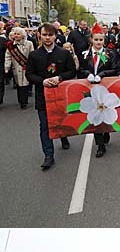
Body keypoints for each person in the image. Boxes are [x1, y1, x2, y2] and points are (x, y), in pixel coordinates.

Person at [25, 21, 71, 171]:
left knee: (62, 120)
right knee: (44, 125)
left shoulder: (63, 53)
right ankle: (48, 154)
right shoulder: (34, 55)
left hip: (61, 94)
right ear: (40, 35)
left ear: (55, 36)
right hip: (42, 95)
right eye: (44, 35)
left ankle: (63, 136)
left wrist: (60, 78)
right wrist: (42, 81)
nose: (47, 38)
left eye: (50, 35)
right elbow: (29, 74)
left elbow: (72, 72)